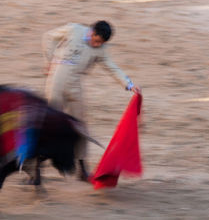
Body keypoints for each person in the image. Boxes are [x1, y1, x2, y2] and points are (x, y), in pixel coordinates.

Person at [42, 20, 141, 181]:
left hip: (74, 85)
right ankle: (36, 170)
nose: (97, 45)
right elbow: (49, 37)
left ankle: (82, 170)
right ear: (92, 32)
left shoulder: (100, 50)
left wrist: (129, 85)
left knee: (80, 125)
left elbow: (112, 67)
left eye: (100, 43)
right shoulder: (73, 29)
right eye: (96, 41)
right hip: (55, 82)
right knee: (49, 125)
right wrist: (49, 60)